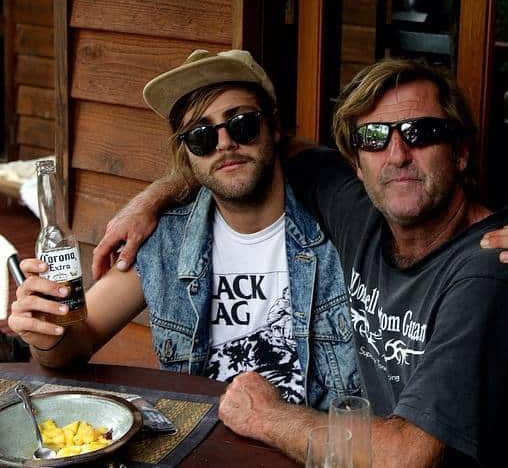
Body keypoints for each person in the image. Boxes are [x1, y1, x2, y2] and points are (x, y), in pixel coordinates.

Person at [91, 58, 508, 468]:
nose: (397, 154)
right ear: (356, 164)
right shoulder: (354, 211)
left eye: (422, 132)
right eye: (375, 137)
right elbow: (237, 158)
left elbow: (407, 456)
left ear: (461, 153)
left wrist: (265, 415)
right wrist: (151, 197)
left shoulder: (488, 266)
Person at [8, 49, 359, 411]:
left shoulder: (339, 232)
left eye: (242, 125)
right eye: (202, 137)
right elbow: (75, 342)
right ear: (187, 154)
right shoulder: (166, 244)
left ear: (273, 127)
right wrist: (46, 331)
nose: (224, 143)